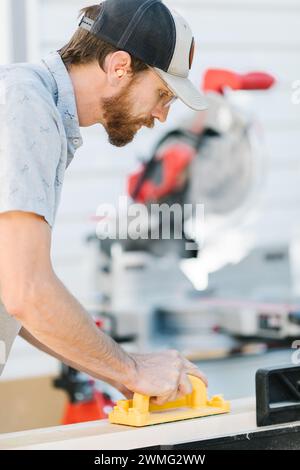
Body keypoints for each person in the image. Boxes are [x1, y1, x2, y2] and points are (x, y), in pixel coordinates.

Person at [0, 0, 208, 405]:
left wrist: (119, 371)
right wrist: (130, 367)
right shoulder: (26, 109)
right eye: (163, 93)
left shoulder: (27, 104)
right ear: (119, 67)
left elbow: (8, 292)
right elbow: (26, 291)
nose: (163, 115)